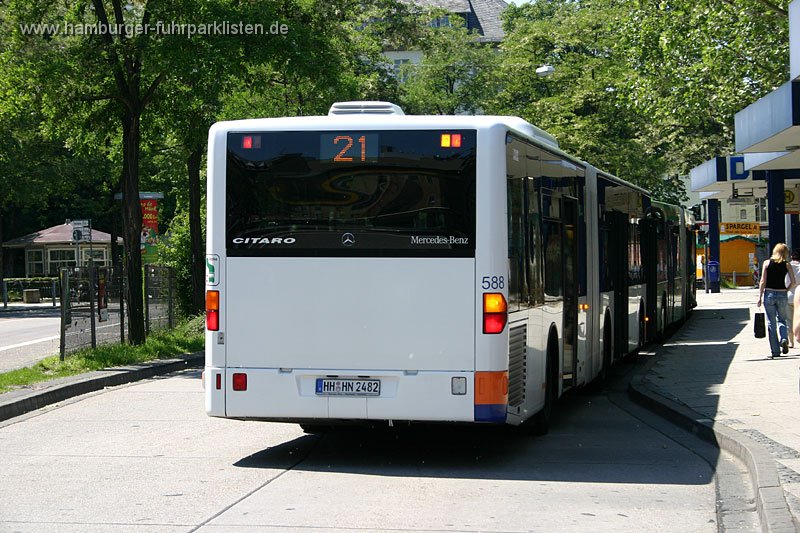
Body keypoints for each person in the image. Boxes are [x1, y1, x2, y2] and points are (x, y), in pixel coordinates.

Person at [758, 243, 797, 358]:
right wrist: (786, 290)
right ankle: (784, 338)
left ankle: (775, 351)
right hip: (782, 293)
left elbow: (762, 281)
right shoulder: (787, 265)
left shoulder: (767, 263)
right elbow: (793, 282)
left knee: (771, 323)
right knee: (782, 320)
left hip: (769, 293)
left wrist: (760, 296)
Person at [788, 250, 800, 348]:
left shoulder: (787, 267)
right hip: (799, 296)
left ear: (792, 257)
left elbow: (786, 282)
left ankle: (791, 342)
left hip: (789, 295)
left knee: (789, 320)